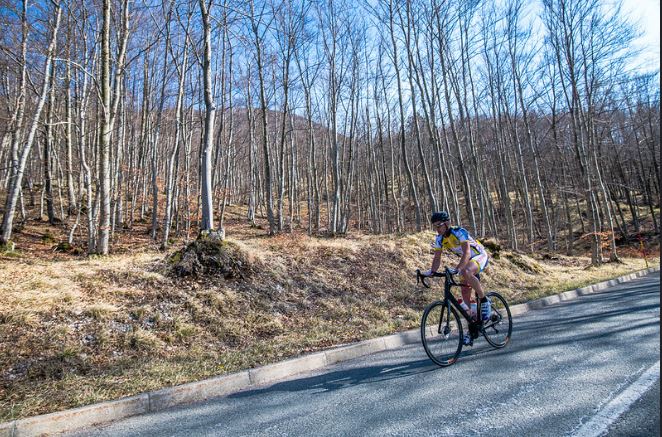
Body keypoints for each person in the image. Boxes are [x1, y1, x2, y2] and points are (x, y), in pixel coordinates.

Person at [422, 211, 490, 345]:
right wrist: (431, 272)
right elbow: (437, 258)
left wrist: (458, 268)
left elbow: (467, 253)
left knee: (465, 271)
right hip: (468, 261)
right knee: (464, 292)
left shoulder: (459, 232)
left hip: (479, 255)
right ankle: (472, 328)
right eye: (435, 226)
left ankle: (484, 300)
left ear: (447, 223)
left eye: (439, 225)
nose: (437, 229)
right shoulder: (439, 239)